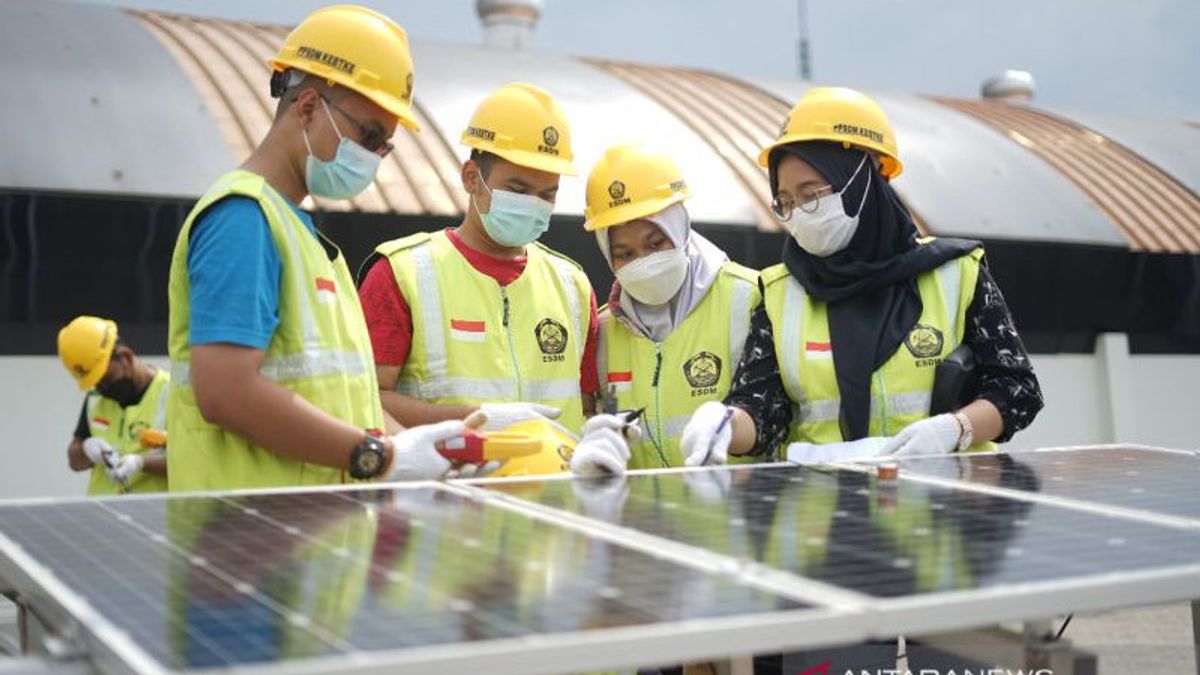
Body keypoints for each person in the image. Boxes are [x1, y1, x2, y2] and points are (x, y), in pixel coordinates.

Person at [166, 5, 487, 492]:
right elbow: (226, 392)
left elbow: (350, 400)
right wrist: (377, 457)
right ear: (309, 107)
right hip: (242, 543)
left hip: (298, 541)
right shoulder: (243, 220)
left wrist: (437, 454)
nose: (375, 156)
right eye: (370, 135)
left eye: (385, 146)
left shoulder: (303, 238)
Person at [678, 87, 1043, 464]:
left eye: (811, 193)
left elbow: (1017, 389)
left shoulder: (956, 273)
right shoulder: (778, 293)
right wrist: (723, 424)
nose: (799, 212)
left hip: (945, 506)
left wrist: (955, 429)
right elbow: (762, 410)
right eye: (785, 202)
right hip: (828, 510)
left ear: (861, 181)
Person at [358, 82, 599, 438]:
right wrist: (471, 418)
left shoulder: (571, 284)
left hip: (553, 490)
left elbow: (587, 405)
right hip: (445, 489)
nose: (534, 203)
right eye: (518, 190)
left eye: (548, 194)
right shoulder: (403, 273)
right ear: (472, 178)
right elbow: (364, 398)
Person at [567, 143, 760, 476]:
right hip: (640, 520)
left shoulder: (748, 297)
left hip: (732, 516)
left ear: (679, 227)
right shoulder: (605, 329)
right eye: (624, 253)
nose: (644, 261)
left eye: (656, 243)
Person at [58, 316, 169, 494]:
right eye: (96, 383)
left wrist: (140, 463)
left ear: (125, 356)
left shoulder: (171, 394)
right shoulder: (96, 398)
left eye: (106, 379)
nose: (103, 389)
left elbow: (189, 463)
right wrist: (87, 449)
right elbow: (74, 461)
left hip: (152, 515)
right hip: (101, 516)